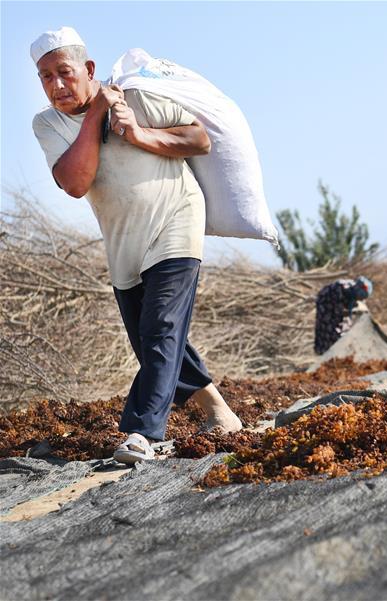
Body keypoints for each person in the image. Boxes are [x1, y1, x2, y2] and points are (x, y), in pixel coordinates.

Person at [30, 27, 242, 464]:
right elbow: (74, 182)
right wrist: (96, 116)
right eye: (46, 77)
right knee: (155, 342)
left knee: (160, 328)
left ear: (88, 69)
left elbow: (198, 139)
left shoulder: (139, 99)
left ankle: (142, 433)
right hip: (123, 243)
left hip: (176, 222)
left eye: (64, 73)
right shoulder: (48, 123)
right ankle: (220, 413)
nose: (56, 85)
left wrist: (139, 134)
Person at [314, 276, 373, 354]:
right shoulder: (350, 289)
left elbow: (349, 306)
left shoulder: (351, 286)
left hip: (327, 301)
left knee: (329, 327)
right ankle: (325, 352)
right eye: (362, 296)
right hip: (327, 301)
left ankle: (325, 351)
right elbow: (346, 307)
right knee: (330, 328)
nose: (361, 298)